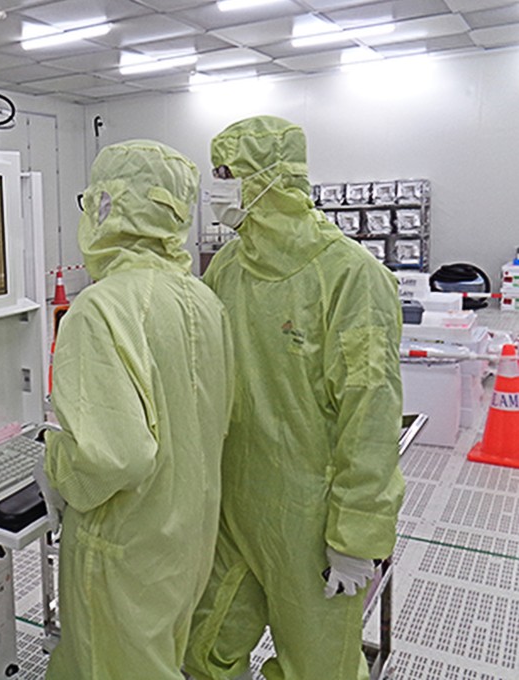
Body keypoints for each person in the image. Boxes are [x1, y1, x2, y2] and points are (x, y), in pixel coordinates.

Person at [183, 116, 404, 680]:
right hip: (234, 504)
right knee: (204, 648)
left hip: (308, 519)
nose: (218, 187)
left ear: (269, 178)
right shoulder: (228, 267)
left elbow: (371, 411)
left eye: (228, 173)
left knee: (318, 668)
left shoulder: (351, 276)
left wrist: (356, 534)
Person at [35, 139, 233, 680]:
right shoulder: (204, 300)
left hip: (122, 548)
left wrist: (53, 465)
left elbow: (114, 457)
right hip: (185, 538)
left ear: (106, 204)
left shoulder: (101, 307)